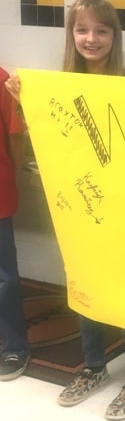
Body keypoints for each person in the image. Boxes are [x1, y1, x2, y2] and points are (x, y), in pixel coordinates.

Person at [5, 0, 125, 419]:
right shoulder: (58, 85)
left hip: (122, 209)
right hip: (78, 210)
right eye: (82, 30)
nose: (91, 38)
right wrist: (25, 100)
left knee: (124, 292)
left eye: (102, 30)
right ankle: (94, 365)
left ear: (114, 37)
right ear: (71, 36)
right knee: (84, 288)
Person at [0, 66, 28, 382]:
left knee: (4, 275)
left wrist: (11, 173)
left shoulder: (2, 80)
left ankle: (14, 345)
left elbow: (15, 134)